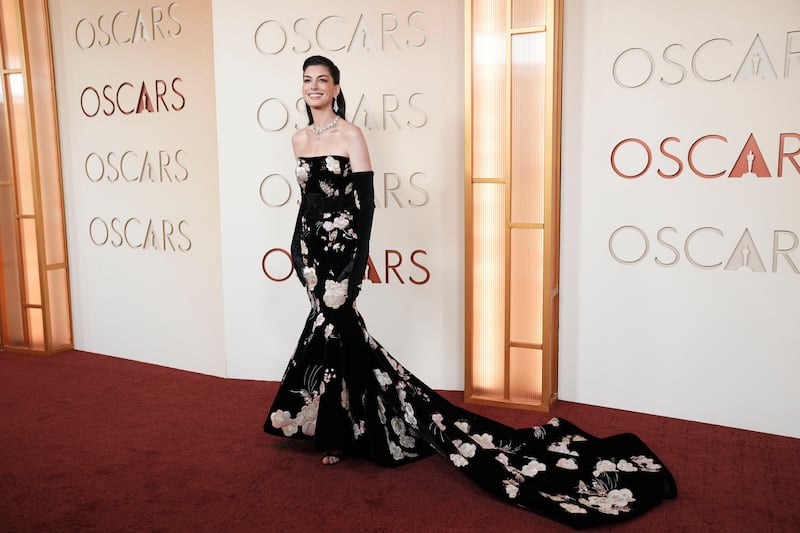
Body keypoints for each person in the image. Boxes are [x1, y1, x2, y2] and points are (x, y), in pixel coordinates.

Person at [264, 55, 676, 528]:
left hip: (343, 250)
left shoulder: (352, 134)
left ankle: (343, 431)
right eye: (307, 81)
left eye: (323, 80)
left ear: (337, 88)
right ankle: (342, 427)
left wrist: (356, 266)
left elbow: (368, 205)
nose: (314, 87)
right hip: (311, 250)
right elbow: (305, 201)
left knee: (339, 331)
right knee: (336, 335)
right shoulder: (297, 138)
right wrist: (296, 247)